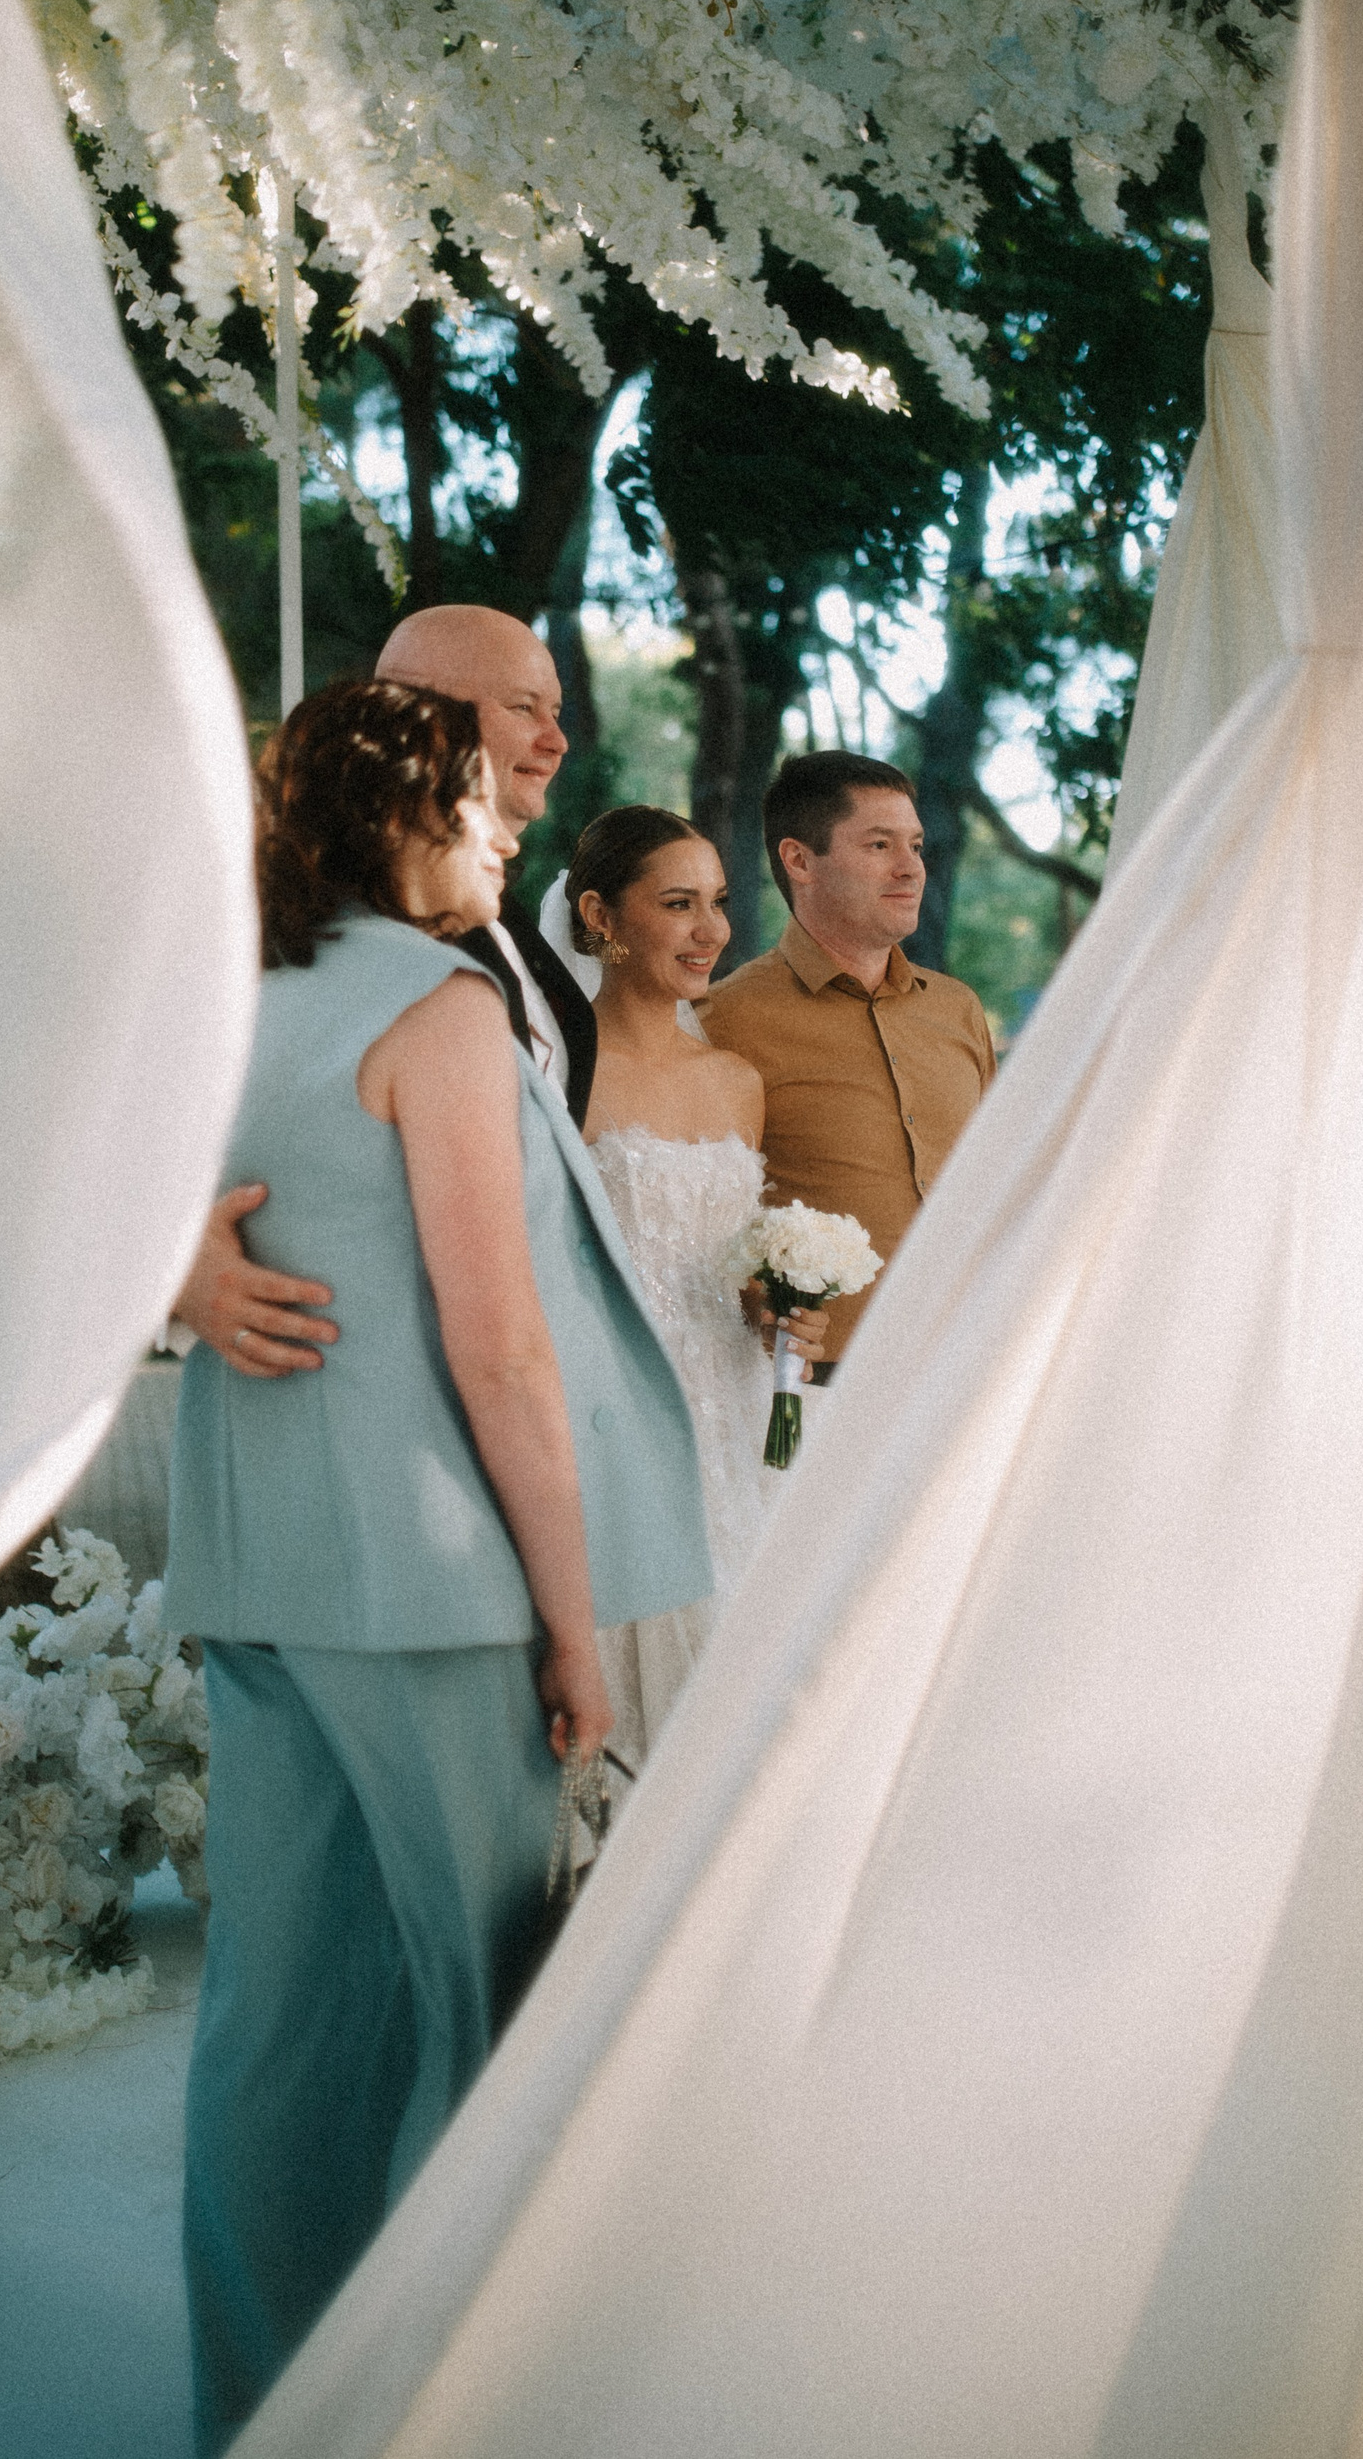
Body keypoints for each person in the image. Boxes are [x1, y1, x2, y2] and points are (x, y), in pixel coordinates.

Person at [166, 682, 709, 2455]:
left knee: (277, 2037)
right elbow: (504, 1352)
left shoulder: (223, 997)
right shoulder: (440, 1007)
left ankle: (259, 2417)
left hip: (258, 1574)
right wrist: (574, 1622)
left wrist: (174, 1268)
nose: (511, 829)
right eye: (484, 801)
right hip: (435, 1582)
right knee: (499, 2023)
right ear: (411, 819)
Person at [172, 603, 595, 1375]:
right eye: (524, 707)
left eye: (557, 712)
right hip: (349, 1377)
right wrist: (174, 1264)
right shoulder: (269, 926)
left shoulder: (523, 938)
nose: (556, 740)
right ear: (418, 710)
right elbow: (127, 1115)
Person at [565, 808, 828, 1757]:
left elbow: (731, 1257)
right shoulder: (559, 1074)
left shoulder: (736, 1080)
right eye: (678, 904)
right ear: (601, 916)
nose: (711, 928)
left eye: (716, 902)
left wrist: (777, 1309)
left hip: (736, 1412)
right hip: (616, 1412)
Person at [699, 750, 996, 1376]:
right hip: (814, 1387)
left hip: (969, 1367)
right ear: (800, 861)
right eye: (880, 845)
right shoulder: (723, 1021)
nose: (911, 868)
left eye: (915, 845)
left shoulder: (960, 1010)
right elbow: (699, 1227)